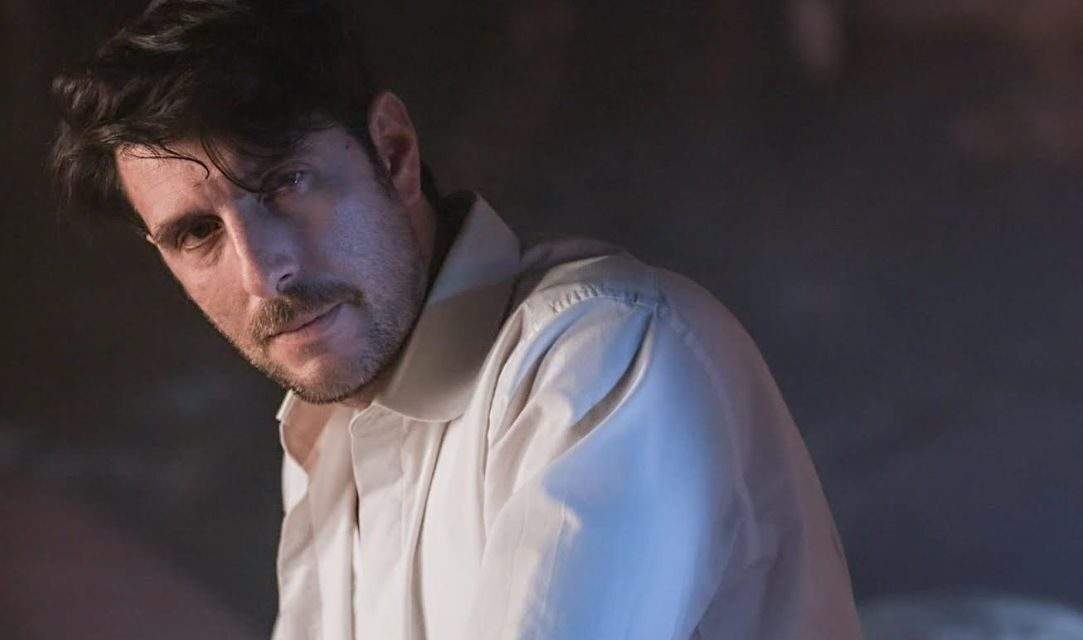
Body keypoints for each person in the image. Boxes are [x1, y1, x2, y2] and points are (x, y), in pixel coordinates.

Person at [49, 1, 861, 638]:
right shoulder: (327, 436)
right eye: (197, 234)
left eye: (284, 184)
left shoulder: (608, 354)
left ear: (393, 151)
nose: (265, 276)